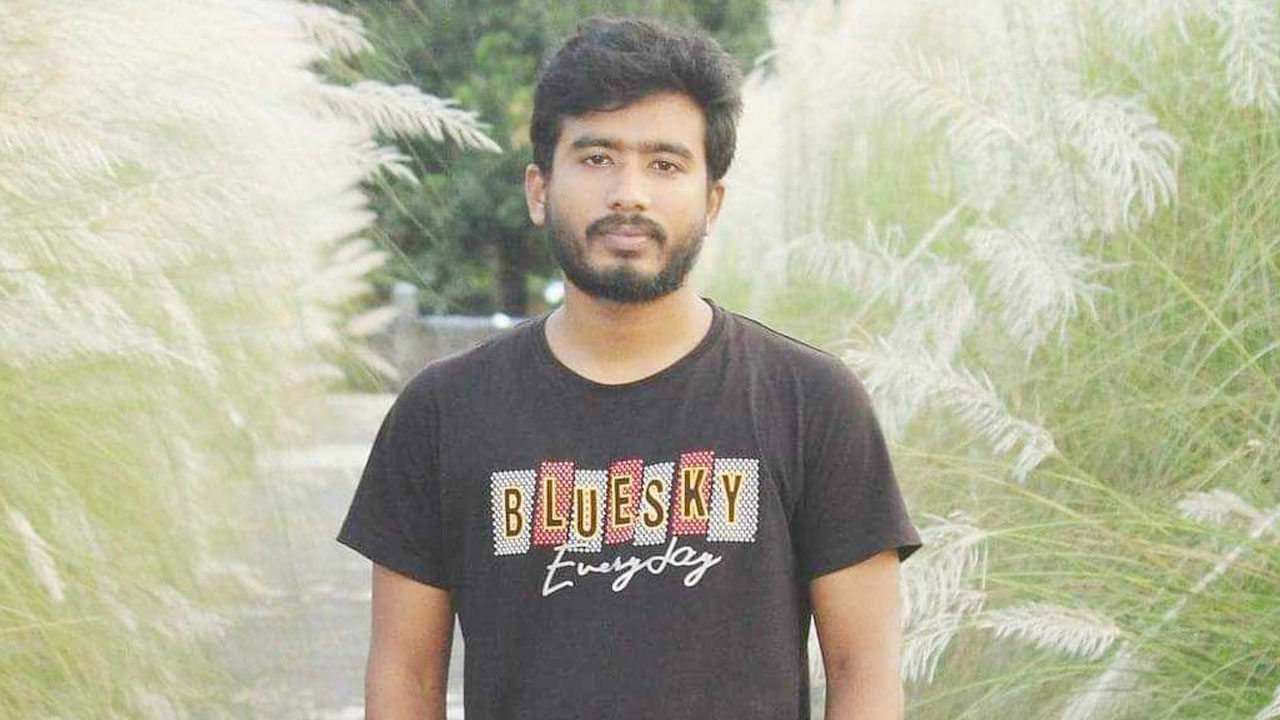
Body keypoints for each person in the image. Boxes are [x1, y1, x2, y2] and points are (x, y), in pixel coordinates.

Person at [336, 15, 923, 720]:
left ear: (712, 201)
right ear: (538, 189)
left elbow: (864, 673)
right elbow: (405, 678)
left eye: (665, 164)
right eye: (596, 158)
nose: (629, 193)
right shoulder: (441, 412)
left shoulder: (812, 403)